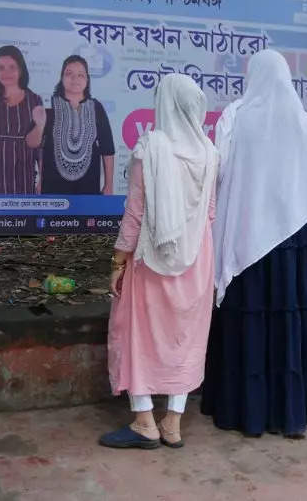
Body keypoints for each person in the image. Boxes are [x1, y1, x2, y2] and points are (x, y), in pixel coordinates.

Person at [201, 49, 307, 438]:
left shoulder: (237, 120)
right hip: (295, 244)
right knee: (292, 325)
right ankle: (293, 412)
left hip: (249, 243)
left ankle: (247, 410)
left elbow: (220, 173)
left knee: (252, 324)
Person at [99, 74, 219, 450]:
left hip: (152, 258)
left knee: (138, 333)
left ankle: (144, 421)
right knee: (185, 337)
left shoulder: (150, 148)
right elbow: (211, 213)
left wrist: (118, 261)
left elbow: (135, 214)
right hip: (196, 258)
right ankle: (173, 424)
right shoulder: (210, 153)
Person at [39, 55, 116, 195]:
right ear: (61, 77)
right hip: (53, 185)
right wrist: (39, 181)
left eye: (81, 75)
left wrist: (109, 185)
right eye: (69, 74)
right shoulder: (49, 106)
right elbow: (40, 148)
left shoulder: (96, 107)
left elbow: (108, 149)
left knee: (85, 215)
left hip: (88, 186)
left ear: (87, 80)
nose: (75, 79)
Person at [0, 46, 46, 194]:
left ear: (21, 70)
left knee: (21, 216)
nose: (6, 72)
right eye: (1, 68)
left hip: (23, 175)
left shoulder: (34, 100)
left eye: (12, 67)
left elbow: (40, 147)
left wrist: (43, 179)